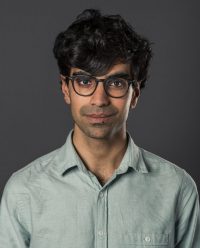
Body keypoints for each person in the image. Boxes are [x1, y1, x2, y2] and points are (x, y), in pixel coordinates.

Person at [0, 8, 199, 248]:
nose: (99, 99)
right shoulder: (23, 192)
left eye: (116, 82)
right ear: (65, 88)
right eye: (84, 81)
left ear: (134, 94)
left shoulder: (177, 189)